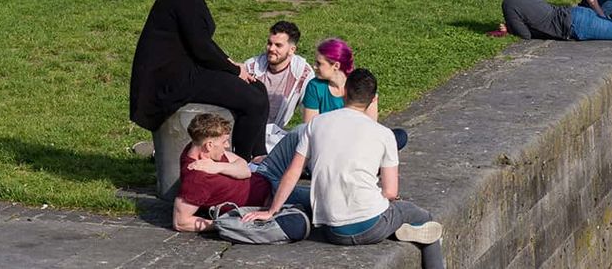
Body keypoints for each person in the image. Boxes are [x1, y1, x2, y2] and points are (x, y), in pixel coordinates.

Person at [247, 69, 446, 269]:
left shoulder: (316, 124)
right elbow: (391, 192)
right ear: (374, 99)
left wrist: (272, 210)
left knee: (304, 194)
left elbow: (293, 172)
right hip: (371, 226)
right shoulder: (384, 134)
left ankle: (396, 228)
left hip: (330, 229)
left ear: (344, 92)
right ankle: (404, 231)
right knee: (424, 219)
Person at [130, 0, 270, 159]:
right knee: (253, 100)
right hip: (174, 80)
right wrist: (234, 71)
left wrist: (228, 61)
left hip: (190, 68)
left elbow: (202, 41)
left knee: (258, 89)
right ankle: (243, 162)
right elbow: (201, 48)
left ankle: (259, 156)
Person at [171, 113, 311, 234]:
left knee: (303, 131)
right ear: (209, 145)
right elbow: (180, 222)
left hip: (263, 174)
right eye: (224, 141)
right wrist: (224, 224)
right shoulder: (197, 179)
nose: (227, 145)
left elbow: (244, 168)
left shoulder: (198, 149)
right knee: (321, 198)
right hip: (272, 197)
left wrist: (218, 167)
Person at [241, 21, 314, 152]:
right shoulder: (251, 67)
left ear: (292, 50)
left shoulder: (303, 73)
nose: (271, 49)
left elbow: (311, 112)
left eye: (278, 45)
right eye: (269, 43)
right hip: (247, 132)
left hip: (276, 135)